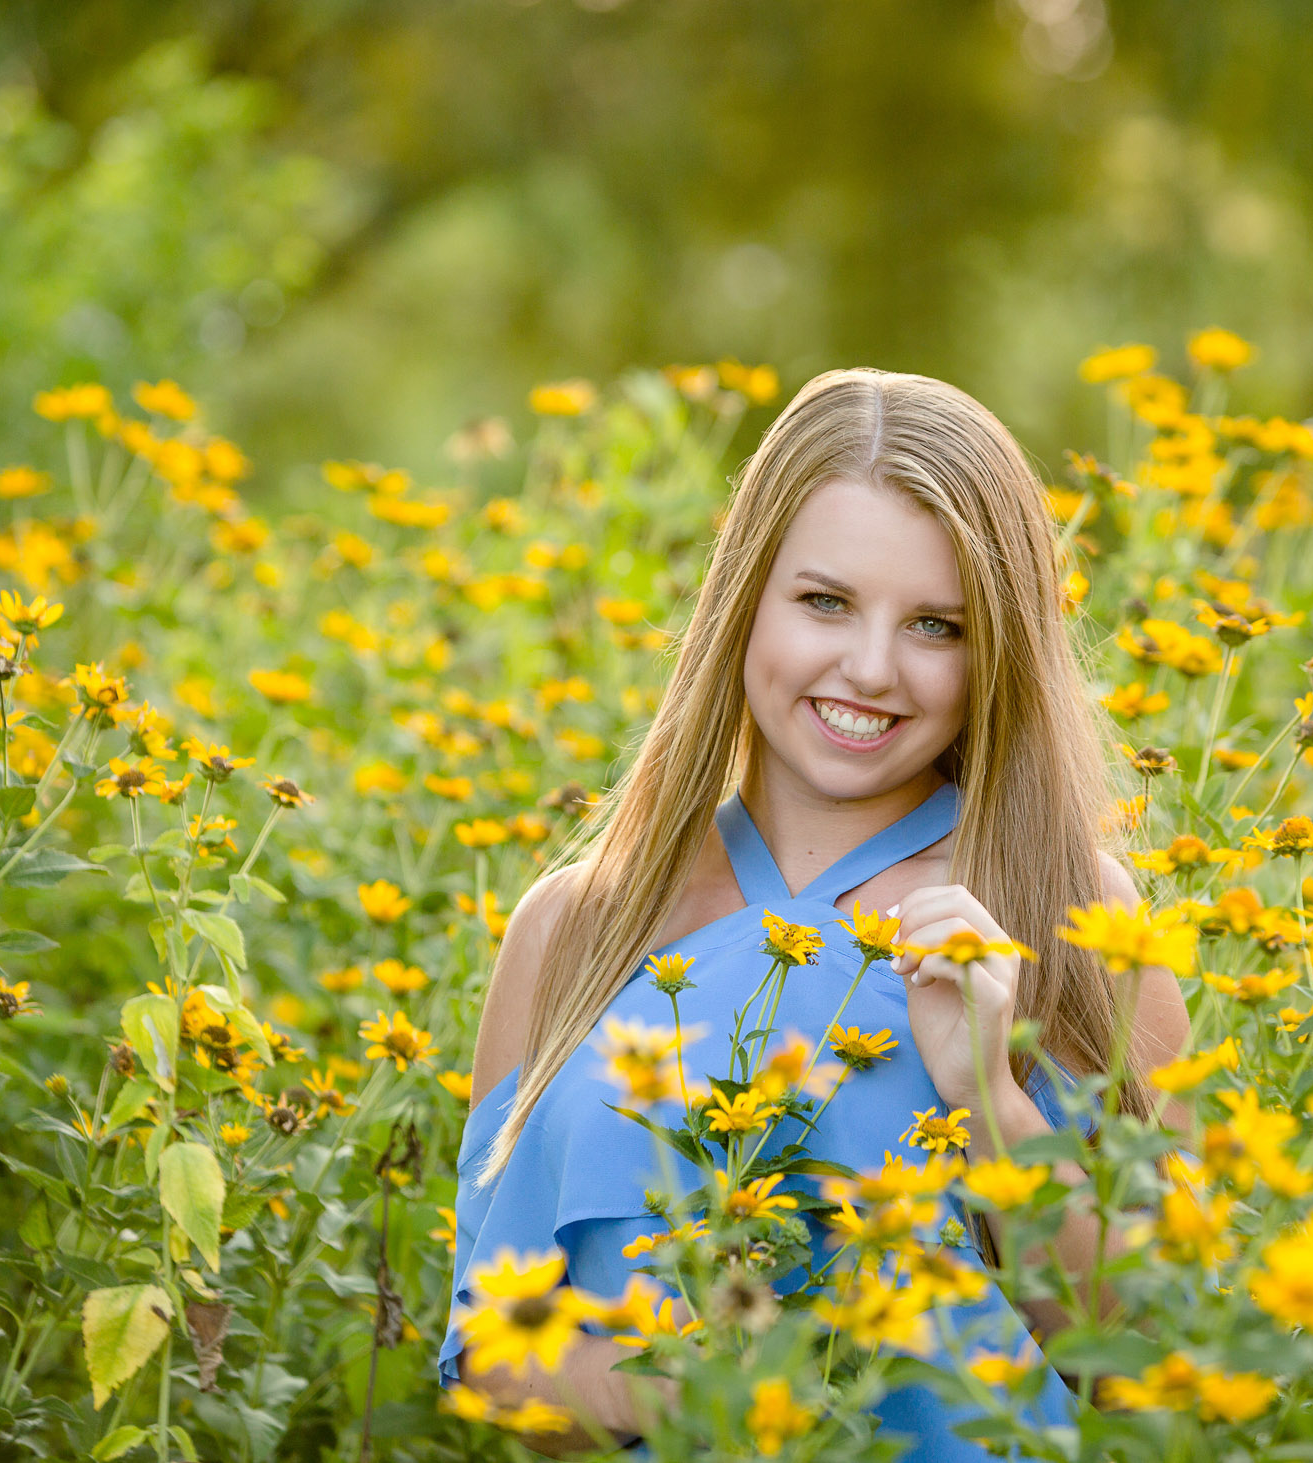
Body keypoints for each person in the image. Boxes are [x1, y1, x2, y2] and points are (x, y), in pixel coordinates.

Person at [438, 367, 1192, 1458]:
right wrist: (718, 1382)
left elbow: (1165, 1350)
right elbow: (493, 1347)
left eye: (937, 624)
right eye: (825, 601)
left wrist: (987, 1097)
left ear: (998, 652)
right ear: (745, 596)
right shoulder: (578, 921)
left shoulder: (1071, 911)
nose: (872, 669)